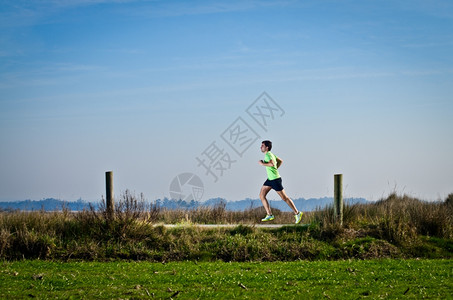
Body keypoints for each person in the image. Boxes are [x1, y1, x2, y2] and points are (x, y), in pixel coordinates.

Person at [258, 140, 303, 224]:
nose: (261, 147)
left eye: (262, 146)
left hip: (275, 180)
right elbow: (280, 161)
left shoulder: (268, 155)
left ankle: (297, 213)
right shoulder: (271, 154)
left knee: (284, 198)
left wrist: (262, 164)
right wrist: (274, 169)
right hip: (270, 179)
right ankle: (269, 214)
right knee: (261, 195)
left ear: (267, 147)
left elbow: (271, 164)